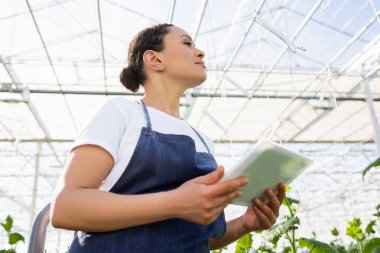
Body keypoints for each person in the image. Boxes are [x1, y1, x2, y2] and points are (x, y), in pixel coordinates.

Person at [50, 23, 286, 253]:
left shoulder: (203, 140)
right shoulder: (122, 112)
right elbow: (65, 208)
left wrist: (244, 224)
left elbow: (196, 237)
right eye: (187, 43)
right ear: (154, 59)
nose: (200, 52)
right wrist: (174, 203)